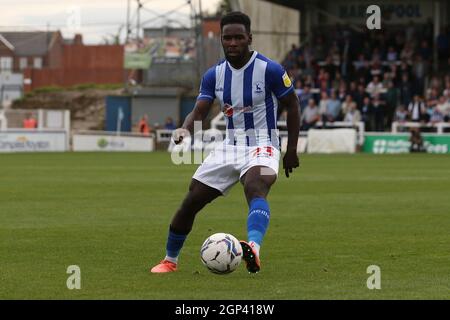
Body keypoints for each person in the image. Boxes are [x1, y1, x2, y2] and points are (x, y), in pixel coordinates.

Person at [150, 11, 300, 274]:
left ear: (249, 38)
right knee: (192, 199)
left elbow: (293, 105)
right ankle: (169, 260)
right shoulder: (214, 75)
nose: (232, 43)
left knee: (255, 185)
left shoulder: (271, 70)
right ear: (221, 39)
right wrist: (186, 129)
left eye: (238, 37)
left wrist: (291, 150)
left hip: (263, 143)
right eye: (227, 38)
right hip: (230, 145)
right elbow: (200, 110)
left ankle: (253, 247)